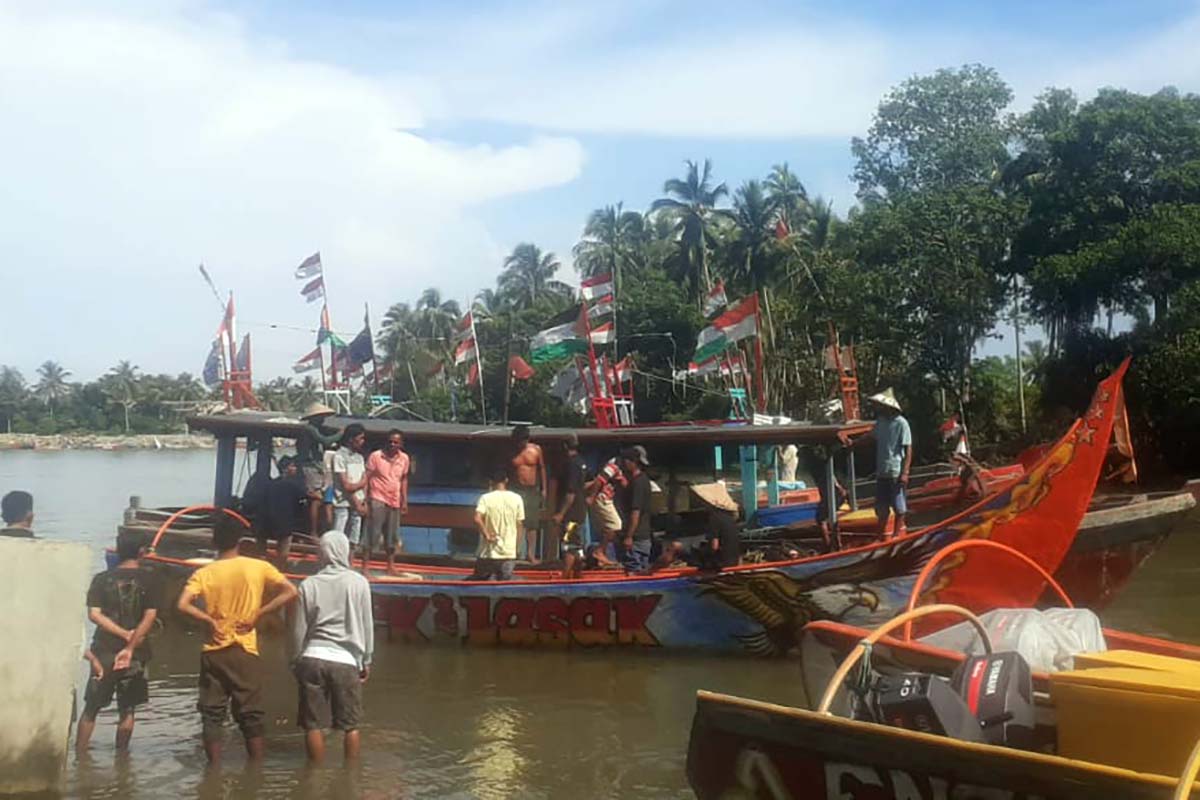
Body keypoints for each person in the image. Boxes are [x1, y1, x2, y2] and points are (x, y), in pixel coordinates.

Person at [177, 516, 299, 764]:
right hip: (245, 648)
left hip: (214, 648)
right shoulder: (258, 567)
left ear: (214, 542)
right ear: (240, 541)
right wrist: (260, 612)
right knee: (250, 714)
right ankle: (255, 771)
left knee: (212, 714)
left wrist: (208, 621)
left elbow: (182, 604)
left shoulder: (204, 573)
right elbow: (291, 590)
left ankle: (213, 773)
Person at [290, 531, 374, 763]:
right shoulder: (359, 583)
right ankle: (350, 778)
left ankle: (314, 778)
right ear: (345, 551)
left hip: (312, 657)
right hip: (346, 660)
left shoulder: (308, 584)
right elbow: (367, 625)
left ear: (323, 552)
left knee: (312, 724)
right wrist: (366, 659)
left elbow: (299, 629)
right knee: (351, 725)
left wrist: (295, 659)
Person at [75, 535, 159, 752]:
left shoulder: (101, 579)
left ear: (117, 552)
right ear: (142, 552)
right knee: (128, 709)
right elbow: (150, 616)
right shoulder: (150, 580)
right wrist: (131, 640)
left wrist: (121, 633)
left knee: (91, 708)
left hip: (103, 651)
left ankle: (80, 757)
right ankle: (122, 760)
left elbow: (94, 615)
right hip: (136, 653)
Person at [364, 429, 410, 575]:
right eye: (390, 441)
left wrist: (404, 500)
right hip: (377, 497)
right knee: (372, 533)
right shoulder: (376, 456)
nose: (392, 444)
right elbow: (367, 477)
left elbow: (403, 479)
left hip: (394, 499)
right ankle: (365, 566)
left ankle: (390, 566)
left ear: (401, 444)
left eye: (396, 442)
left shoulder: (404, 458)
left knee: (392, 535)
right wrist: (365, 499)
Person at [869, 388, 912, 539]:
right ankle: (881, 536)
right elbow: (870, 437)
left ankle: (896, 534)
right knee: (881, 506)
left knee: (898, 505)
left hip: (895, 470)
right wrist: (853, 443)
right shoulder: (881, 422)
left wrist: (905, 472)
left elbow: (908, 449)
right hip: (882, 470)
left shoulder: (901, 423)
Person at [296, 403, 343, 538]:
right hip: (310, 467)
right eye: (321, 417)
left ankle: (317, 530)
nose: (323, 419)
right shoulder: (310, 429)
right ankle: (313, 532)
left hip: (315, 466)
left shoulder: (315, 428)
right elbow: (326, 442)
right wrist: (340, 434)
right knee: (316, 500)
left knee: (318, 499)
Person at [471, 467, 523, 581]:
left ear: (491, 482)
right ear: (506, 480)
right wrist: (517, 548)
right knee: (504, 586)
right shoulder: (517, 498)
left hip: (488, 551)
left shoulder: (485, 498)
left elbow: (477, 518)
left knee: (478, 584)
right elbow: (519, 525)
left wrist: (487, 535)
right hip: (508, 552)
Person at [552, 433, 589, 577]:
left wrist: (560, 513)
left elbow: (571, 492)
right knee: (577, 546)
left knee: (569, 546)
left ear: (564, 446)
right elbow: (587, 483)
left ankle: (565, 578)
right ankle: (578, 577)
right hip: (580, 510)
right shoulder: (582, 462)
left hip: (571, 513)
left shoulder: (571, 464)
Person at [259, 456, 307, 564]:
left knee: (263, 551)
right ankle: (281, 568)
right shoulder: (294, 485)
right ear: (285, 469)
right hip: (285, 524)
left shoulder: (270, 484)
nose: (295, 468)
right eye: (292, 466)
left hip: (268, 523)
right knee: (283, 552)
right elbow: (303, 498)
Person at [509, 425, 546, 563]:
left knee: (532, 524)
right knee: (515, 522)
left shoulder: (536, 450)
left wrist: (544, 489)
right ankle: (514, 551)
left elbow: (542, 469)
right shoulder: (511, 452)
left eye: (522, 441)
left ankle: (530, 554)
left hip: (532, 490)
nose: (521, 444)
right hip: (516, 490)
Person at [332, 424, 369, 549]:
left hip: (359, 501)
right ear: (351, 439)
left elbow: (365, 480)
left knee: (353, 538)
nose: (362, 442)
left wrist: (363, 502)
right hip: (343, 502)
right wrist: (360, 486)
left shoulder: (359, 457)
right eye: (360, 438)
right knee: (339, 536)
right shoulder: (339, 456)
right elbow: (346, 486)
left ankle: (350, 563)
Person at [619, 445, 654, 571]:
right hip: (644, 536)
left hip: (637, 538)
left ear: (633, 462)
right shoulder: (643, 480)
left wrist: (629, 536)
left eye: (626, 460)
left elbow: (636, 512)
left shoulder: (638, 483)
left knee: (634, 570)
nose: (624, 463)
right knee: (643, 569)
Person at [586, 454, 626, 543]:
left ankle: (606, 549)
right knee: (616, 525)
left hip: (610, 498)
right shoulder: (614, 466)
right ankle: (600, 550)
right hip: (603, 497)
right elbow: (601, 479)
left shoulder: (621, 470)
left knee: (606, 527)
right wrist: (591, 497)